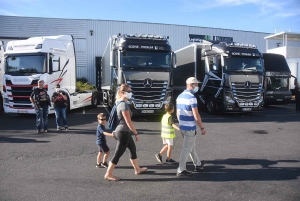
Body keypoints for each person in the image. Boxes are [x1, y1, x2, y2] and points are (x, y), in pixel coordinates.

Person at [104, 84, 147, 181]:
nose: (131, 94)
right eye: (129, 92)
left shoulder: (119, 103)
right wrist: (136, 133)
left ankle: (137, 169)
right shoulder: (123, 104)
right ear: (123, 93)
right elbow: (128, 121)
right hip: (122, 132)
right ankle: (108, 174)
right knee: (118, 154)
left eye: (131, 92)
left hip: (123, 132)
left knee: (132, 149)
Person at [176, 77, 207, 176]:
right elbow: (196, 115)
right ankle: (181, 169)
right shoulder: (192, 98)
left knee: (191, 147)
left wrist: (181, 123)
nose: (197, 86)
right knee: (186, 149)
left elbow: (177, 113)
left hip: (182, 126)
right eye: (196, 84)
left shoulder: (179, 96)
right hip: (190, 127)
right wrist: (202, 127)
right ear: (191, 85)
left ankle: (197, 164)